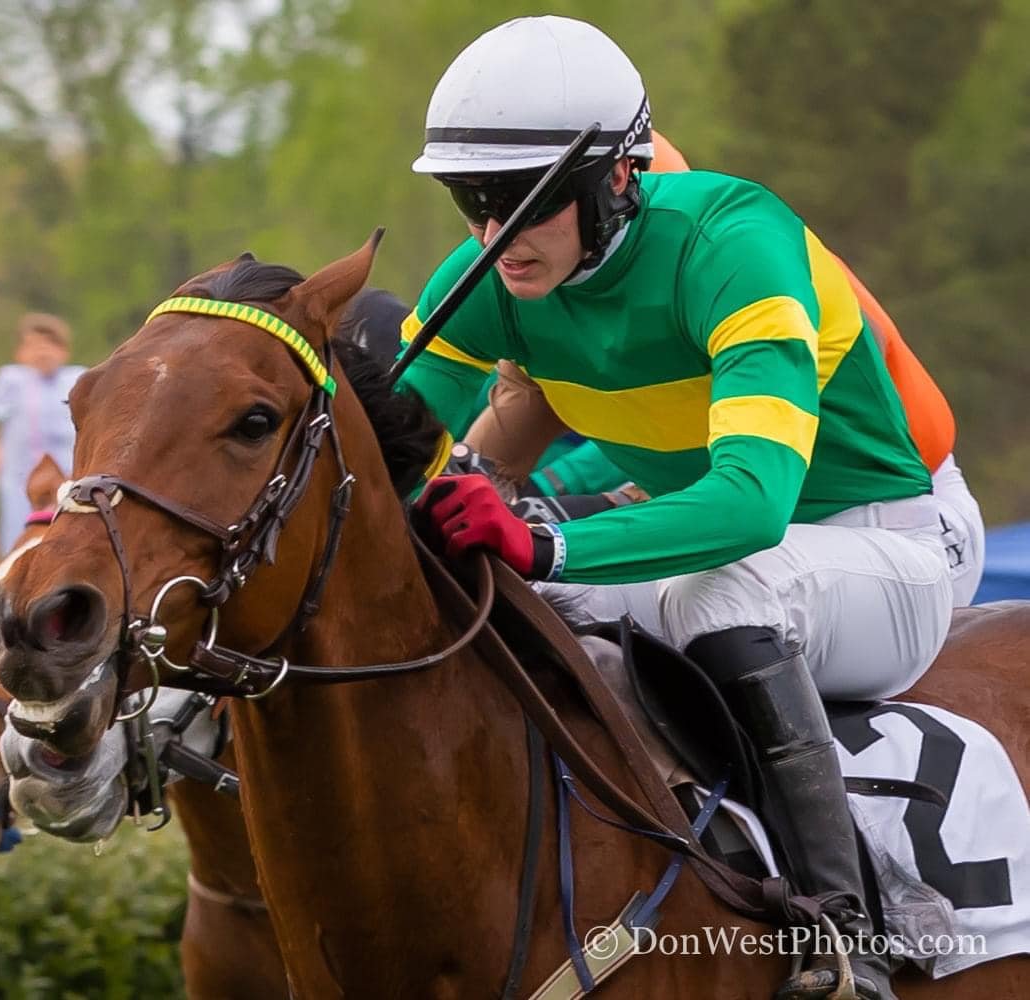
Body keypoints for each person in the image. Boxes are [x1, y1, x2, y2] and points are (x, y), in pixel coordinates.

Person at [405, 17, 954, 999]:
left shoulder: (736, 241)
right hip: (702, 555)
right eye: (471, 203)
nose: (493, 238)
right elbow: (382, 453)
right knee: (505, 608)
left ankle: (848, 931)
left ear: (617, 177)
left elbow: (749, 502)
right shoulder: (487, 278)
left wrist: (540, 539)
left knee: (710, 598)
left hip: (884, 547)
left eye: (521, 205)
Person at [460, 133, 987, 606]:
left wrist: (569, 507)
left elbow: (714, 470)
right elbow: (501, 444)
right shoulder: (561, 289)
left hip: (899, 523)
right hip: (752, 527)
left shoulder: (736, 273)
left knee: (716, 607)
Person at [0, 312, 86, 553]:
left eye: (50, 345)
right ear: (21, 353)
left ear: (64, 351)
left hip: (67, 473)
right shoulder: (14, 380)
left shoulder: (75, 378)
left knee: (68, 531)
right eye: (34, 345)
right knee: (18, 534)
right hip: (21, 475)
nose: (42, 352)